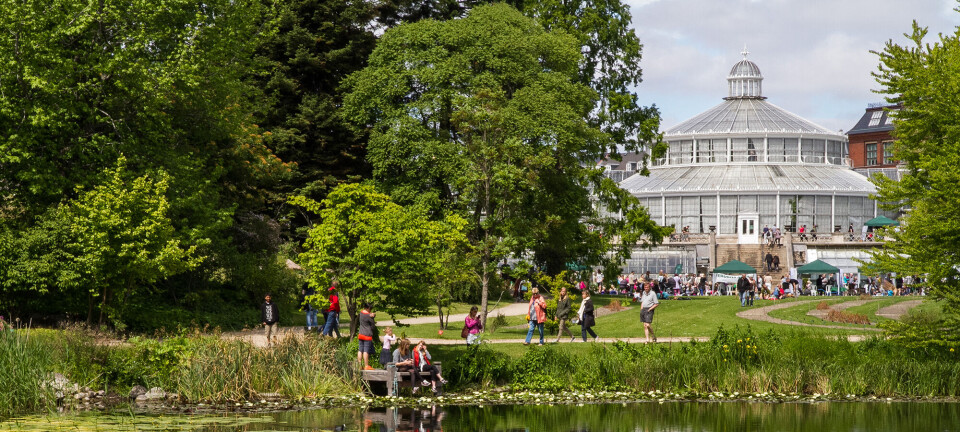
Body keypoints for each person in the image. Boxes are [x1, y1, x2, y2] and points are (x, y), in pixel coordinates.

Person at [357, 303, 376, 370]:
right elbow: (373, 325)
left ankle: (359, 365)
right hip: (367, 335)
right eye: (370, 309)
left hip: (360, 334)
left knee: (360, 350)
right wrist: (373, 317)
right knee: (366, 351)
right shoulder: (369, 316)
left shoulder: (361, 313)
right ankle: (366, 365)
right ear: (368, 308)